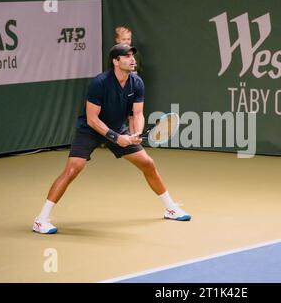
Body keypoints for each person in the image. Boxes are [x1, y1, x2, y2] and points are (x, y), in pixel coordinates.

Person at [32, 43, 191, 234]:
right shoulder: (99, 83)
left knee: (148, 163)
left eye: (133, 56)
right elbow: (92, 119)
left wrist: (136, 133)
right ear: (116, 61)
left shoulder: (137, 82)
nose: (132, 59)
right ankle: (41, 220)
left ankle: (170, 208)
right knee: (73, 169)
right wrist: (116, 138)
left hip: (118, 127)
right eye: (127, 56)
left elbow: (137, 114)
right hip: (90, 129)